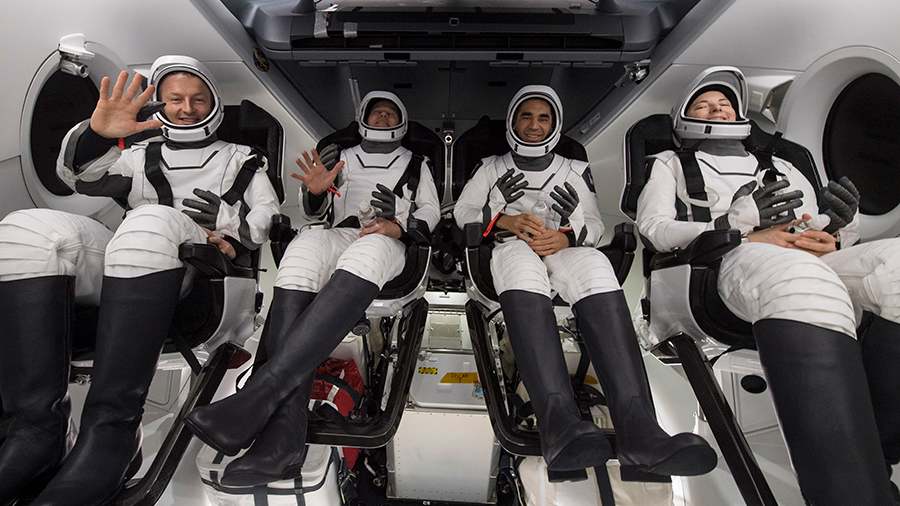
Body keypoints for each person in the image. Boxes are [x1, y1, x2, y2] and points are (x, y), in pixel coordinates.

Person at [0, 55, 279, 506]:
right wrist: (98, 135)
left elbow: (267, 217)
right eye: (175, 99)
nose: (186, 108)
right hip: (134, 258)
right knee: (25, 229)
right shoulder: (137, 155)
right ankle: (35, 431)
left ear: (214, 103)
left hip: (204, 274)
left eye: (198, 99)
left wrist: (232, 226)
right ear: (159, 104)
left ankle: (113, 434)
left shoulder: (242, 158)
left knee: (149, 219)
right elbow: (80, 179)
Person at [636, 66, 899, 505]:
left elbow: (813, 222)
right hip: (724, 261)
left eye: (724, 104)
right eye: (704, 105)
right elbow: (655, 229)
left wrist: (835, 230)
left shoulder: (784, 165)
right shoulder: (671, 164)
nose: (716, 109)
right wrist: (735, 225)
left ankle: (879, 454)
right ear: (684, 118)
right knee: (802, 282)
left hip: (810, 255)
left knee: (895, 266)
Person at [453, 85, 716, 481]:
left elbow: (593, 224)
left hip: (560, 246)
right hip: (510, 245)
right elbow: (463, 213)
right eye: (527, 116)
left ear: (555, 124)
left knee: (595, 263)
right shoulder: (491, 166)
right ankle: (558, 425)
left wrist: (567, 236)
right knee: (519, 263)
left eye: (544, 118)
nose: (535, 125)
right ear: (513, 122)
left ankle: (641, 430)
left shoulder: (574, 168)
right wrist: (503, 217)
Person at [184, 91, 441, 486]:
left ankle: (259, 395)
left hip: (390, 240)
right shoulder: (342, 157)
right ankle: (284, 437)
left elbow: (432, 214)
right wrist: (318, 192)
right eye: (376, 111)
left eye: (391, 113)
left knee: (369, 249)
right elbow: (314, 212)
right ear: (362, 117)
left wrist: (401, 220)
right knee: (303, 245)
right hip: (340, 232)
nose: (383, 116)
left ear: (402, 123)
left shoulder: (418, 163)